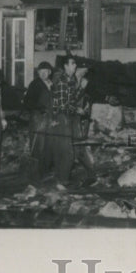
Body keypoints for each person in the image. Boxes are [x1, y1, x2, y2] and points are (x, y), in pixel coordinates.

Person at [47, 55, 79, 188]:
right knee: (67, 152)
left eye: (75, 64)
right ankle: (62, 181)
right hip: (61, 117)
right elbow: (62, 105)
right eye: (72, 64)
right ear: (65, 66)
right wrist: (77, 109)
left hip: (68, 117)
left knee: (65, 150)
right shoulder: (62, 82)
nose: (75, 66)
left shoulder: (71, 80)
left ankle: (61, 179)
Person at [22, 61, 54, 182]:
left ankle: (45, 172)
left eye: (45, 72)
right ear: (38, 73)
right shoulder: (35, 84)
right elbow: (27, 102)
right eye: (41, 72)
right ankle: (35, 175)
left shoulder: (51, 84)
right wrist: (40, 108)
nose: (43, 74)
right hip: (38, 119)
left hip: (49, 118)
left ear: (50, 72)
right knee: (37, 146)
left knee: (48, 145)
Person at [72, 62, 96, 185]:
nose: (85, 72)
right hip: (69, 118)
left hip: (79, 119)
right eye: (83, 70)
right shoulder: (70, 81)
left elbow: (89, 96)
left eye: (86, 70)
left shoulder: (84, 81)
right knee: (74, 147)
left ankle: (90, 173)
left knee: (79, 145)